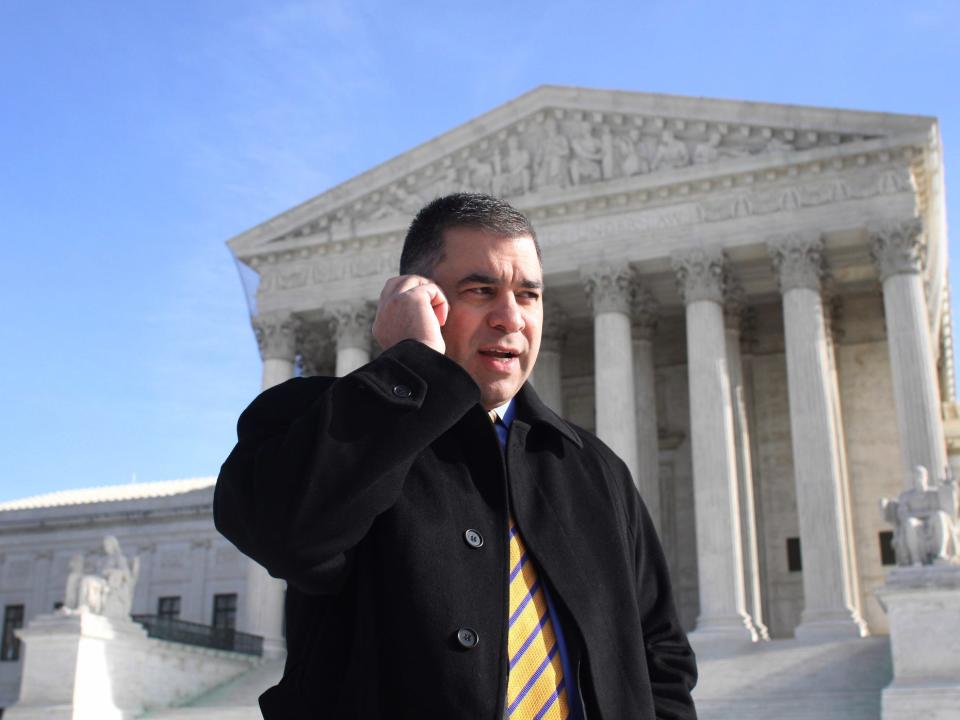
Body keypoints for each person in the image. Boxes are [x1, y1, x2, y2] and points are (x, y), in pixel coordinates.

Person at [214, 193, 698, 718]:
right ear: (419, 299)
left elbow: (659, 654)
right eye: (481, 290)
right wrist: (409, 369)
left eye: (529, 295)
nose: (510, 318)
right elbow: (288, 535)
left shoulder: (595, 471)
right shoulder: (321, 422)